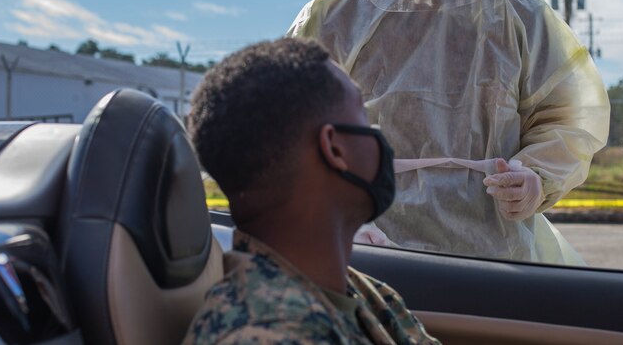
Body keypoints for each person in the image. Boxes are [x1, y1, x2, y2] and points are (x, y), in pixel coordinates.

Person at [287, 0, 610, 264]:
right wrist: (332, 210)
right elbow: (288, 130)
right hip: (367, 253)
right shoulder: (331, 19)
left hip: (494, 253)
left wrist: (536, 176)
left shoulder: (518, 15)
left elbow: (569, 115)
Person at [184, 38, 439, 344]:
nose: (378, 138)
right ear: (334, 148)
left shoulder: (361, 292)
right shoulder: (263, 334)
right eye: (364, 116)